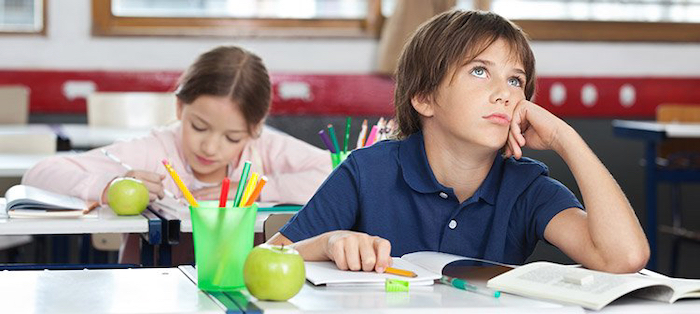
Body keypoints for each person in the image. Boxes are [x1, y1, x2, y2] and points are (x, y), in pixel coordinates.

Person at [267, 10, 650, 274]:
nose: (504, 93)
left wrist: (566, 139)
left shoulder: (527, 187)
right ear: (425, 98)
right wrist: (329, 243)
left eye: (516, 81)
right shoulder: (368, 170)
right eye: (480, 71)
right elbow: (267, 260)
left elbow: (625, 256)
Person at [23, 46, 332, 264]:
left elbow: (337, 174)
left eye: (232, 137)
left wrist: (261, 188)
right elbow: (39, 174)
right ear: (180, 108)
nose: (211, 147)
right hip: (151, 291)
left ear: (255, 129)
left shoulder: (264, 149)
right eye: (199, 127)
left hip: (241, 293)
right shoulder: (154, 149)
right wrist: (110, 185)